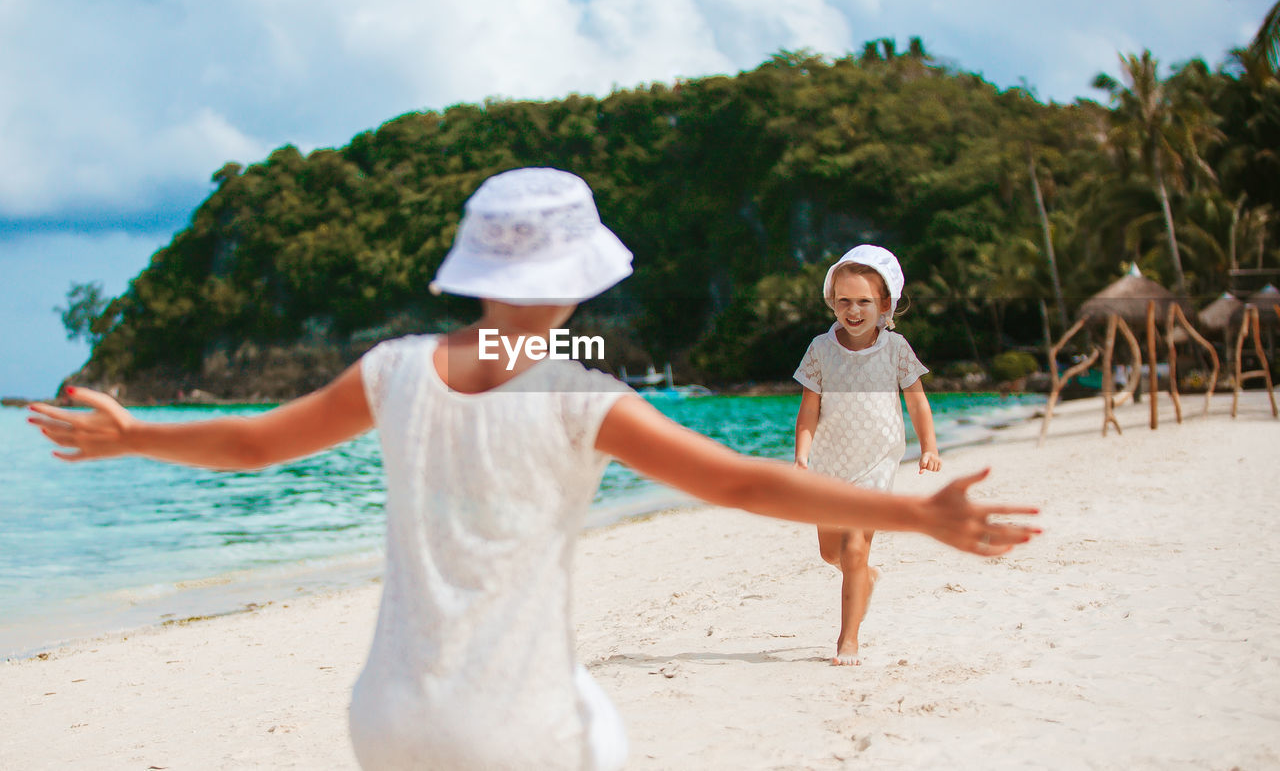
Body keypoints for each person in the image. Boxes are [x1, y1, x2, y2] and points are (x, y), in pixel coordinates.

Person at [28, 168, 1039, 771]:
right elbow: (737, 482)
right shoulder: (576, 389)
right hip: (515, 723)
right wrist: (918, 516)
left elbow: (251, 444)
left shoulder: (392, 370)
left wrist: (135, 432)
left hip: (384, 715)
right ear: (575, 280)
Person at [793, 244, 942, 667]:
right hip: (828, 462)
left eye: (864, 301)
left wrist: (928, 447)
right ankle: (862, 579)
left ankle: (848, 641)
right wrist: (802, 457)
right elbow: (808, 411)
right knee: (830, 552)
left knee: (856, 549)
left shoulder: (896, 349)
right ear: (831, 301)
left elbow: (916, 402)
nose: (853, 310)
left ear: (885, 304)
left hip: (877, 461)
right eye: (844, 301)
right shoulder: (821, 349)